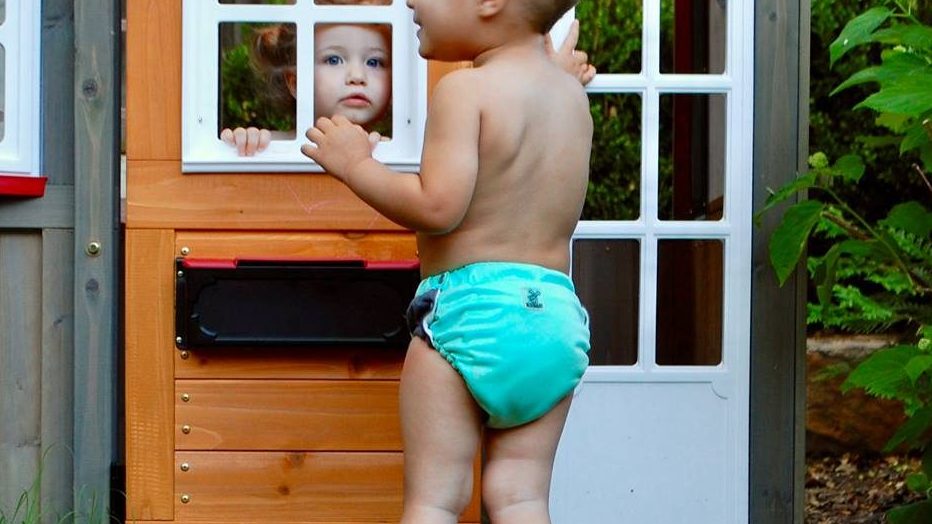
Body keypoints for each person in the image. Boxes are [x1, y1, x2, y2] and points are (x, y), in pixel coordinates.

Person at [302, 0, 593, 521]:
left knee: (436, 499)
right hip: (553, 320)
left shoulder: (464, 90)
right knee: (521, 496)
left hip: (470, 312)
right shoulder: (570, 95)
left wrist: (356, 165)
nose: (412, 2)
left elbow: (437, 208)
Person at [221, 21, 392, 156]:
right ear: (296, 83)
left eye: (374, 62)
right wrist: (245, 143)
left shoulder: (390, 150)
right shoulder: (270, 145)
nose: (357, 76)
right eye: (333, 60)